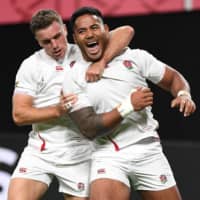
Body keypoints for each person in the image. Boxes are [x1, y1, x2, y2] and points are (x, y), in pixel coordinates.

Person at [62, 6, 196, 200]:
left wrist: (183, 94)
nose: (89, 34)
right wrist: (129, 106)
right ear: (75, 38)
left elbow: (173, 77)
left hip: (147, 149)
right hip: (108, 153)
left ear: (106, 29)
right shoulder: (72, 77)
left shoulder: (134, 57)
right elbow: (89, 127)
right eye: (82, 31)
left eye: (94, 27)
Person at [7, 9, 135, 200]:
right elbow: (19, 115)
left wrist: (101, 63)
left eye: (58, 36)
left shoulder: (86, 53)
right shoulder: (31, 65)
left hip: (81, 152)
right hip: (40, 151)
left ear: (66, 30)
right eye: (46, 42)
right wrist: (57, 110)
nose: (55, 45)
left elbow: (127, 31)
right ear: (38, 42)